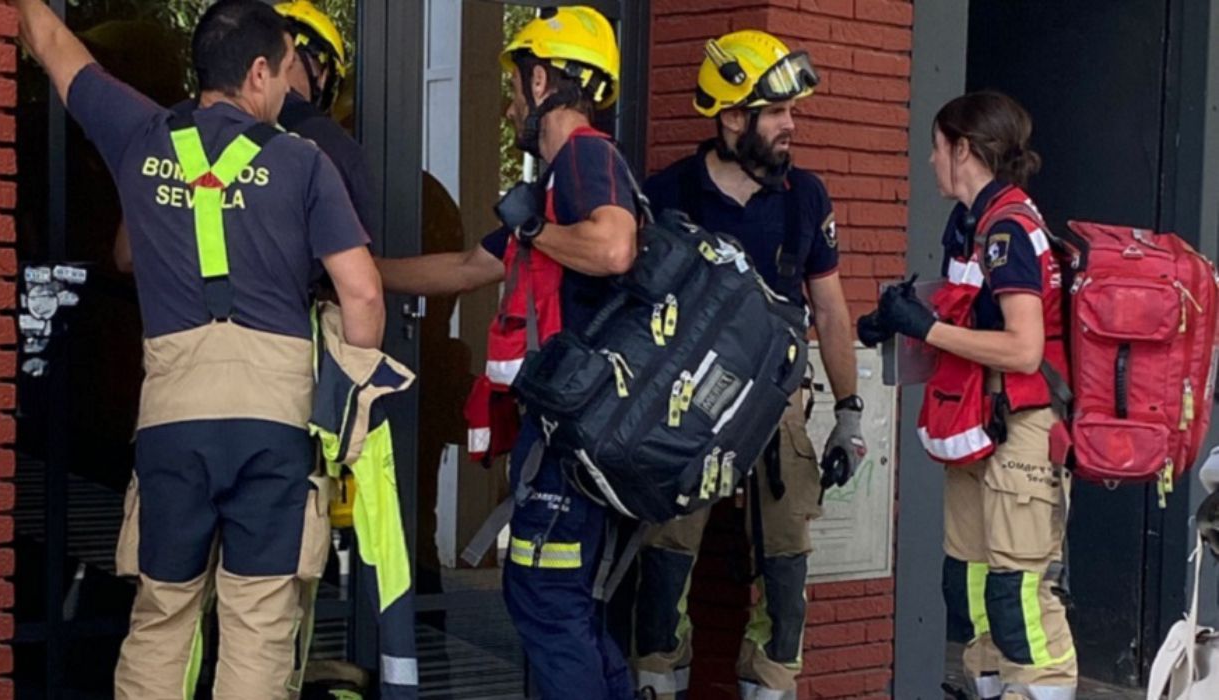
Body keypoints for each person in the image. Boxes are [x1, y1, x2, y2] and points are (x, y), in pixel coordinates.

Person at [9, 1, 385, 698]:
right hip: (273, 426)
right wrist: (348, 410)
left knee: (163, 617)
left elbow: (50, 38)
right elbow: (361, 295)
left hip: (171, 422)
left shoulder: (142, 134)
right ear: (259, 70)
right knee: (259, 623)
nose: (287, 92)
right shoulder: (304, 165)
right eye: (286, 73)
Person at [375, 7, 638, 697]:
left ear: (544, 78)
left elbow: (613, 247)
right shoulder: (556, 188)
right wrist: (358, 271)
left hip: (572, 443)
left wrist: (537, 228)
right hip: (568, 438)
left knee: (547, 604)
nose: (510, 104)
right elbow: (466, 267)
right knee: (563, 608)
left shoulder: (584, 156)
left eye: (517, 86)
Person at [632, 29, 866, 700]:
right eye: (777, 112)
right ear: (734, 115)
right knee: (666, 558)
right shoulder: (667, 195)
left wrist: (849, 416)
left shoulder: (805, 197)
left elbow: (830, 312)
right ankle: (656, 679)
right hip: (684, 409)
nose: (792, 125)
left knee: (786, 564)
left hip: (778, 403)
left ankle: (772, 684)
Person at [859, 91, 1076, 700]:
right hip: (985, 426)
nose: (930, 161)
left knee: (1018, 595)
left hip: (1023, 427)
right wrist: (899, 323)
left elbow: (1023, 348)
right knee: (973, 586)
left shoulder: (1007, 229)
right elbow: (968, 316)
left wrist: (924, 327)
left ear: (964, 149)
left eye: (936, 147)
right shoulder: (972, 224)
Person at [115, 0, 376, 274]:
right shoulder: (329, 149)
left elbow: (127, 255)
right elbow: (360, 284)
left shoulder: (163, 131)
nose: (286, 85)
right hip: (280, 313)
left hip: (176, 312)